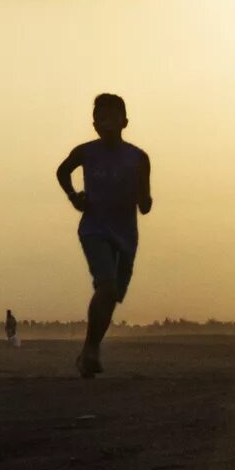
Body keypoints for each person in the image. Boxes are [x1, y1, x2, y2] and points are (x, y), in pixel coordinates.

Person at [55, 91, 151, 378]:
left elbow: (144, 202)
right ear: (94, 123)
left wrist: (144, 201)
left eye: (113, 117)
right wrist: (73, 196)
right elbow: (62, 171)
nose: (107, 123)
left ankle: (88, 350)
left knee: (112, 295)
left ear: (125, 122)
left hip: (126, 235)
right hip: (94, 228)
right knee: (106, 286)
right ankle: (91, 350)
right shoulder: (85, 152)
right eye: (101, 118)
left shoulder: (139, 158)